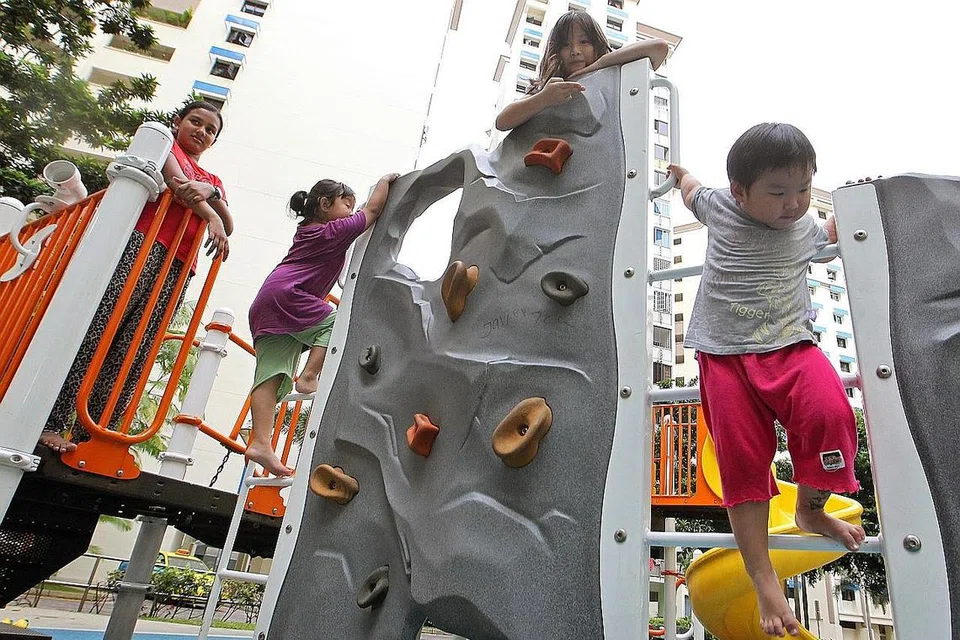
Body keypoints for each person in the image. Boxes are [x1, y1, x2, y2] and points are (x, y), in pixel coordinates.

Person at [668, 123, 865, 638]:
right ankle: (762, 577)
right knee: (740, 459)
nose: (794, 203)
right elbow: (692, 193)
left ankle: (811, 510)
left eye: (803, 188)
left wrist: (850, 217)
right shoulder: (719, 206)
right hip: (724, 356)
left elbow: (827, 236)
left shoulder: (804, 225)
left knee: (831, 415)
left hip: (791, 346)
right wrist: (682, 175)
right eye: (778, 193)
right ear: (740, 191)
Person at [40, 101, 233, 453]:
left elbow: (229, 223)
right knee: (100, 329)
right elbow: (178, 185)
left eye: (210, 130)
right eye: (195, 122)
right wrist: (212, 215)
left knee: (136, 347)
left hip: (180, 264)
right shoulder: (166, 144)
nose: (202, 132)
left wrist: (213, 194)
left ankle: (96, 435)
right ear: (178, 122)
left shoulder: (214, 180)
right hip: (143, 244)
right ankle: (52, 420)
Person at [244, 173, 399, 476]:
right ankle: (309, 375)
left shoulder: (309, 231)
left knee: (270, 373)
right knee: (337, 321)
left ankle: (260, 442)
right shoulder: (331, 231)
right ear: (326, 205)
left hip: (269, 300)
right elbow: (373, 210)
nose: (351, 211)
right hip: (289, 296)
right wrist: (385, 181)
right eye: (346, 204)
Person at [495, 10, 668, 131]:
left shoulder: (613, 78)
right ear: (557, 52)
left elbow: (659, 47)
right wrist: (544, 98)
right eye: (565, 45)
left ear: (597, 45)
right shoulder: (550, 88)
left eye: (584, 42)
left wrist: (598, 65)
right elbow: (502, 121)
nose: (575, 51)